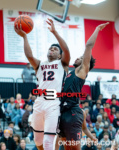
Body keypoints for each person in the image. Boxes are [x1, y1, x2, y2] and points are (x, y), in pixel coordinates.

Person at [15, 18, 70, 150]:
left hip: (53, 103)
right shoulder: (40, 64)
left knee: (48, 141)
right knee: (37, 140)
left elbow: (66, 50)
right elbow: (29, 56)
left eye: (55, 49)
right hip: (39, 102)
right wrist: (25, 37)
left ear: (59, 55)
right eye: (50, 48)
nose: (52, 50)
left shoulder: (62, 64)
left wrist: (55, 32)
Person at [56, 22, 109, 150]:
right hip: (63, 112)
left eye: (81, 57)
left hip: (73, 113)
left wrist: (96, 29)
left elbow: (89, 45)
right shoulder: (70, 73)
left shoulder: (82, 70)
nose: (78, 58)